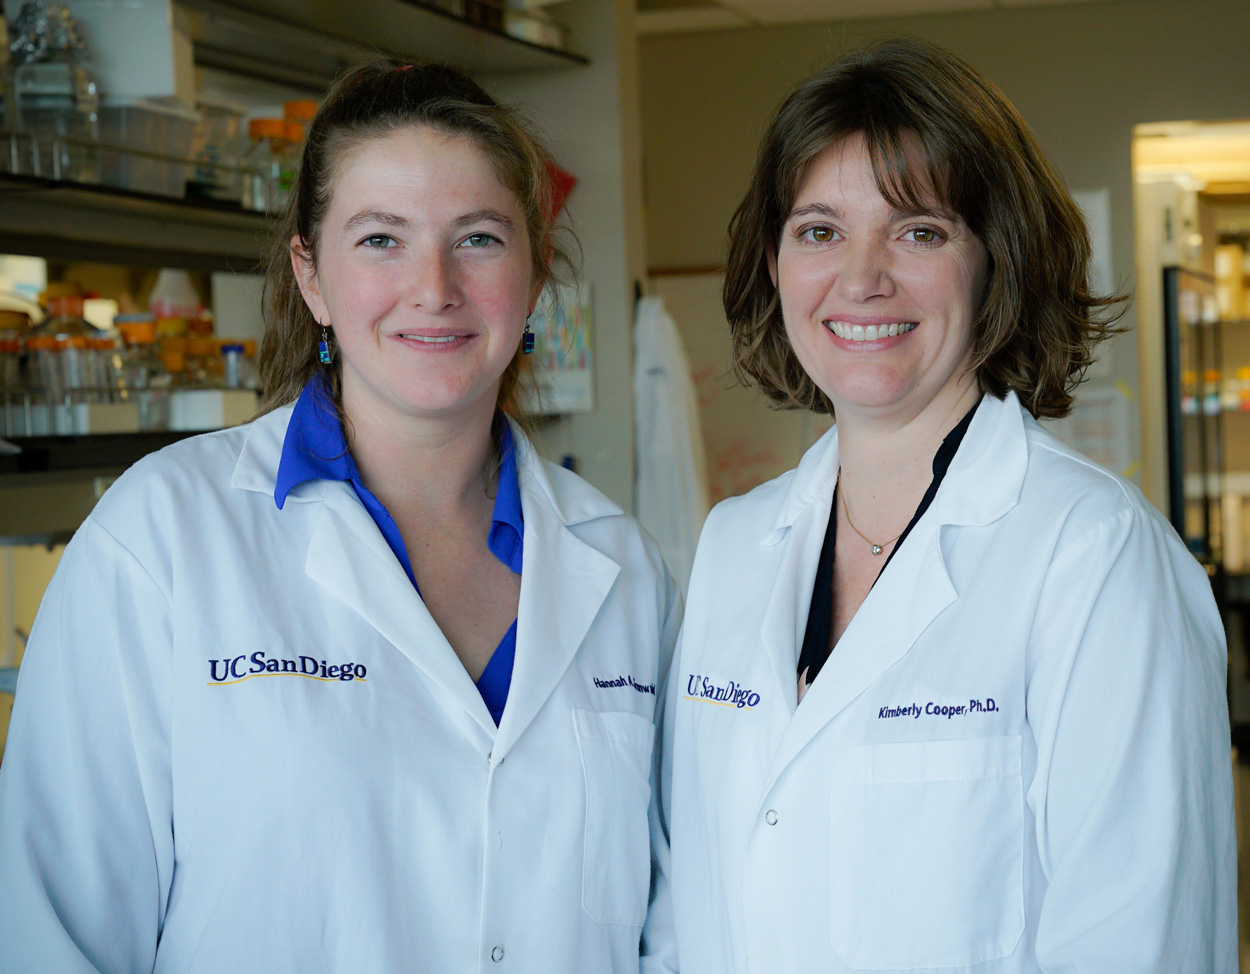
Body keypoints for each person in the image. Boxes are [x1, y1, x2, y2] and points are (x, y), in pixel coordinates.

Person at [0, 61, 678, 973]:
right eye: (380, 240)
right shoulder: (159, 539)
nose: (432, 287)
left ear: (534, 274)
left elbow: (668, 931)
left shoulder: (626, 571)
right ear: (311, 277)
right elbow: (52, 932)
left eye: (477, 238)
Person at [645, 38, 1236, 973]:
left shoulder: (1095, 556)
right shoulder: (738, 544)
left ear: (994, 258)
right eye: (818, 230)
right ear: (774, 260)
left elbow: (1142, 938)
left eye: (919, 230)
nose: (861, 277)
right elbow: (683, 909)